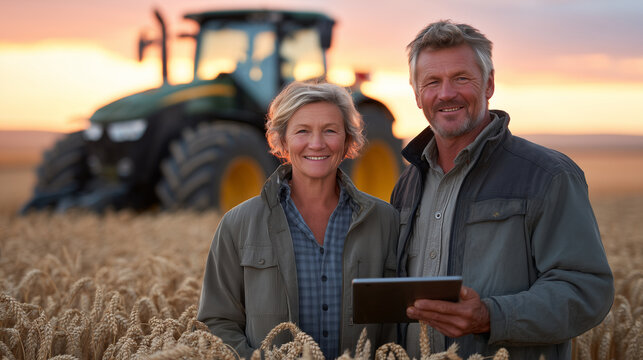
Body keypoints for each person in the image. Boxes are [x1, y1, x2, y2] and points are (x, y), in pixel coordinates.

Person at [391, 20, 614, 359]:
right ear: (417, 93)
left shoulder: (547, 176)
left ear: (489, 84)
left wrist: (491, 316)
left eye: (461, 78)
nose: (446, 93)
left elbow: (587, 291)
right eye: (432, 82)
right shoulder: (407, 185)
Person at [197, 81, 398, 359]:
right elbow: (217, 321)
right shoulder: (237, 224)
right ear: (281, 140)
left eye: (330, 130)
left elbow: (397, 326)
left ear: (348, 140)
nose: (317, 143)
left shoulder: (385, 221)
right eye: (302, 131)